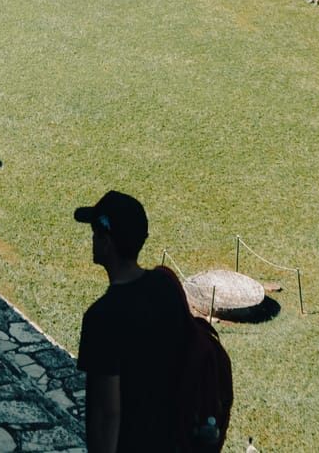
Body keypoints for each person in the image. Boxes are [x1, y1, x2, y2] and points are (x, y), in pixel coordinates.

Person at [75, 190, 190, 453]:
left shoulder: (102, 317)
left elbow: (108, 413)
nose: (92, 238)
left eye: (95, 232)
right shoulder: (167, 287)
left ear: (106, 243)